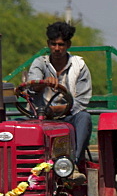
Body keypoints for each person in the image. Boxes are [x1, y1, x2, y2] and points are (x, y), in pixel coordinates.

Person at [27, 21, 92, 178]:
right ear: (48, 44)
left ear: (68, 45)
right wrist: (42, 84)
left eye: (61, 44)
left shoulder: (80, 66)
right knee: (12, 127)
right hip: (40, 117)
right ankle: (26, 165)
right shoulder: (39, 63)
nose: (57, 49)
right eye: (53, 44)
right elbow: (32, 85)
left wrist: (57, 110)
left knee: (84, 117)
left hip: (69, 117)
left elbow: (81, 101)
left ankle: (72, 165)